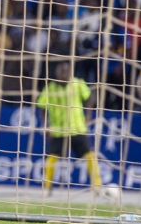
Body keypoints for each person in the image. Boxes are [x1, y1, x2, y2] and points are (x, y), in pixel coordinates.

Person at [36, 60, 109, 200]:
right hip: (59, 129)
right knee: (51, 157)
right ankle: (47, 187)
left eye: (67, 71)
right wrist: (46, 125)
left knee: (89, 155)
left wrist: (88, 116)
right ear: (56, 73)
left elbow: (90, 97)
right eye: (61, 71)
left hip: (77, 128)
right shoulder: (50, 88)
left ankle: (97, 186)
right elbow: (42, 107)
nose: (64, 74)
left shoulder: (78, 83)